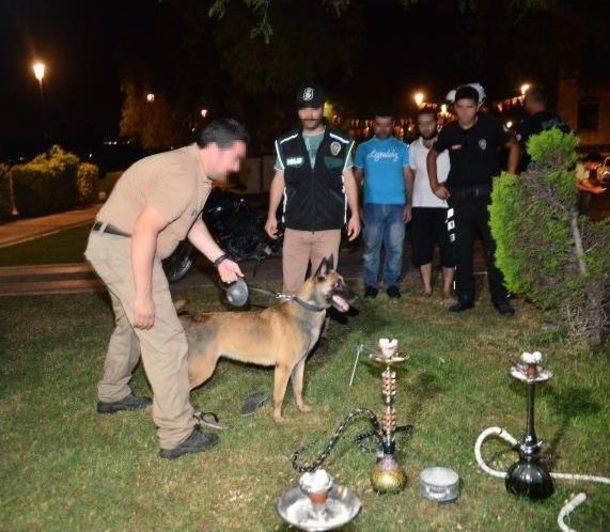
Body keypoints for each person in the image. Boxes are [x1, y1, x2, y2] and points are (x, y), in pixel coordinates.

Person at [85, 119, 247, 459]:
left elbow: (189, 220)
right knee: (167, 339)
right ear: (215, 150)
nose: (236, 167)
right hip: (126, 247)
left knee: (131, 325)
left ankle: (112, 393)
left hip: (112, 244)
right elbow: (145, 231)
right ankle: (177, 433)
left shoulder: (194, 172)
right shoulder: (181, 174)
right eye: (234, 158)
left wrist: (219, 259)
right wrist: (144, 295)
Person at [427, 85, 519, 315]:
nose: (465, 112)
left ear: (478, 107)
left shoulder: (490, 126)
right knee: (461, 249)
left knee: (494, 248)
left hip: (488, 197)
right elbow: (432, 155)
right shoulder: (449, 131)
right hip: (458, 199)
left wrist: (509, 176)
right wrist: (434, 185)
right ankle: (465, 297)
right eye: (460, 107)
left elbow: (514, 146)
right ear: (454, 108)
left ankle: (501, 298)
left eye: (470, 107)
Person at [264, 84, 360, 294]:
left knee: (324, 289)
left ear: (322, 108)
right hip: (295, 227)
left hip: (329, 227)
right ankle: (290, 328)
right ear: (298, 110)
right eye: (304, 109)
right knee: (291, 288)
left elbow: (349, 179)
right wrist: (271, 215)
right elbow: (279, 180)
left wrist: (355, 215)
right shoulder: (285, 143)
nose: (309, 114)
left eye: (314, 108)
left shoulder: (341, 142)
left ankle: (319, 327)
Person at [355, 109, 413, 299]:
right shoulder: (364, 148)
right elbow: (356, 179)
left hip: (397, 205)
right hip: (372, 205)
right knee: (371, 247)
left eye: (387, 124)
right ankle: (371, 284)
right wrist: (356, 208)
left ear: (393, 124)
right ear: (374, 124)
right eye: (380, 124)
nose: (383, 128)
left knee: (395, 247)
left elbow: (407, 176)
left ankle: (391, 284)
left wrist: (409, 204)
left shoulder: (402, 148)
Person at [408, 108, 455, 302]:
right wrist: (409, 203)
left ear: (437, 123)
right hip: (420, 206)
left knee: (449, 249)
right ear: (417, 125)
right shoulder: (412, 148)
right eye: (421, 123)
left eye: (430, 122)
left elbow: (459, 171)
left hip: (446, 205)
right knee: (422, 248)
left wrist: (449, 186)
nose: (426, 126)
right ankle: (426, 288)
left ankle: (446, 291)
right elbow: (410, 176)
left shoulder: (449, 145)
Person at [516, 87, 570, 172]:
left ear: (530, 101)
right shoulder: (559, 120)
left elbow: (518, 148)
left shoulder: (528, 123)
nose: (525, 105)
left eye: (525, 101)